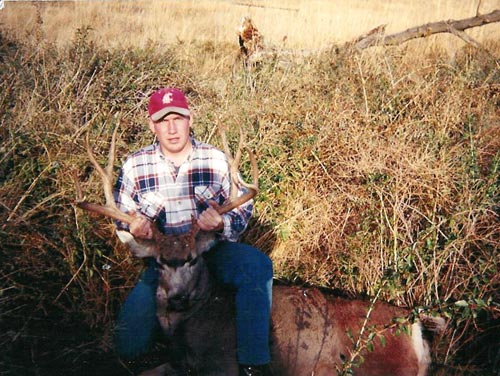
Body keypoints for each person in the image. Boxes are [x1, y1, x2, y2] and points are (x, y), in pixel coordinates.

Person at [112, 87, 273, 376]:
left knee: (257, 265)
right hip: (163, 262)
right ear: (152, 125)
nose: (172, 129)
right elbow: (121, 219)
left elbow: (242, 208)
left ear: (190, 119)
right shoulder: (135, 165)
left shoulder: (215, 159)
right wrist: (133, 226)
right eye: (163, 121)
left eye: (178, 119)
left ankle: (252, 363)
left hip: (209, 252)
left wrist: (222, 223)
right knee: (127, 344)